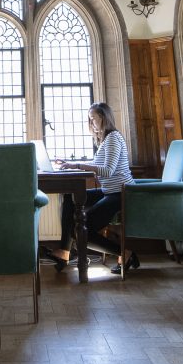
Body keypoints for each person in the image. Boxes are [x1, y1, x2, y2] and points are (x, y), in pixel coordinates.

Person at [50, 101, 138, 275]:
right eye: (89, 120)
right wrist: (72, 163)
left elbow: (107, 170)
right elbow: (97, 164)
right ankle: (64, 252)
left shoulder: (113, 138)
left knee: (81, 229)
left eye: (93, 119)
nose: (91, 123)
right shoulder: (106, 139)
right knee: (70, 196)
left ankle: (125, 253)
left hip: (121, 194)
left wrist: (77, 167)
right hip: (109, 191)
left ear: (103, 118)